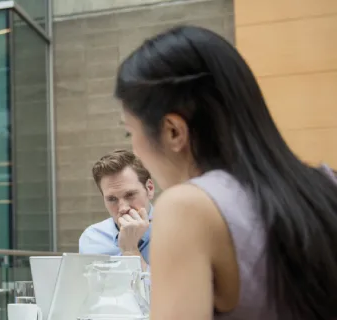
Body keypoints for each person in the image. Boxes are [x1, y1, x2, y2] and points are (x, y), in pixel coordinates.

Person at [115, 25, 337, 320]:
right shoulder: (327, 184)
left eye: (130, 132)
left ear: (173, 131)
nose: (135, 149)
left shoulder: (188, 207)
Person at [79, 150, 154, 268]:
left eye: (130, 195)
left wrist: (130, 250)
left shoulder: (177, 233)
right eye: (112, 199)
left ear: (149, 189)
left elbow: (172, 287)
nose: (123, 208)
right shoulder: (92, 238)